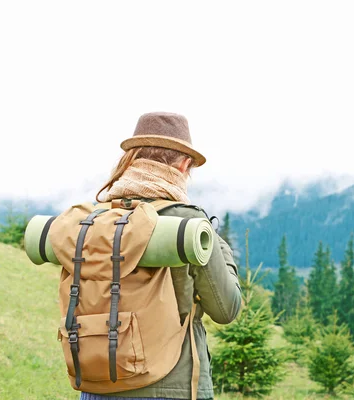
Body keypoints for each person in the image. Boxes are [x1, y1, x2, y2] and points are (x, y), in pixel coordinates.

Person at [80, 112, 242, 400]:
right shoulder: (186, 222)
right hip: (171, 387)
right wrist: (219, 245)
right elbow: (226, 308)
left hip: (98, 383)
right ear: (183, 164)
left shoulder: (98, 219)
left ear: (132, 159)